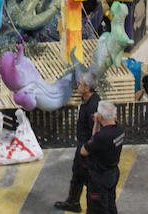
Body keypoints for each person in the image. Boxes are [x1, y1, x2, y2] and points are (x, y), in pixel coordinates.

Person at [55, 70, 99, 212]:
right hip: (82, 145)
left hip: (87, 148)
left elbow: (95, 132)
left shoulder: (93, 106)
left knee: (87, 179)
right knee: (77, 175)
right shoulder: (87, 100)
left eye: (80, 84)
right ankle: (73, 202)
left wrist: (87, 149)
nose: (77, 86)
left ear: (87, 88)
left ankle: (91, 208)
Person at [81, 99, 124, 214]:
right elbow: (97, 138)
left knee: (97, 208)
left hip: (99, 178)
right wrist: (97, 123)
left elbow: (84, 151)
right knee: (110, 204)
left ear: (100, 116)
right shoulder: (119, 129)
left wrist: (96, 123)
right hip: (112, 173)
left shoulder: (102, 137)